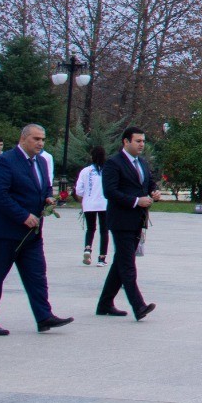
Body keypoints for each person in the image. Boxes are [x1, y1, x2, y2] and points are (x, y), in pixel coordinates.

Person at [0, 124, 74, 336]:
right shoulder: (5, 162)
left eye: (43, 139)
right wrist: (23, 216)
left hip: (31, 233)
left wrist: (47, 198)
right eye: (36, 139)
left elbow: (44, 187)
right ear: (23, 139)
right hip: (3, 232)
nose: (40, 143)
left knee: (37, 275)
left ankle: (44, 316)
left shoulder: (41, 161)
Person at [97, 126, 159, 321]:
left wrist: (154, 192)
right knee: (127, 265)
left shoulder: (142, 162)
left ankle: (105, 303)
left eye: (143, 141)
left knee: (121, 262)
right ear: (126, 141)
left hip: (137, 220)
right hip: (121, 220)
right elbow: (110, 192)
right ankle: (138, 306)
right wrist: (136, 201)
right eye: (138, 141)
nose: (142, 145)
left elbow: (149, 183)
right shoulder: (113, 163)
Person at [74, 146, 109, 266]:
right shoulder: (107, 170)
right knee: (104, 230)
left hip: (89, 204)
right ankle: (101, 258)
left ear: (92, 156)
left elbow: (79, 190)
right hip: (104, 204)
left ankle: (87, 248)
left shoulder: (85, 171)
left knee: (90, 228)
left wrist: (84, 197)